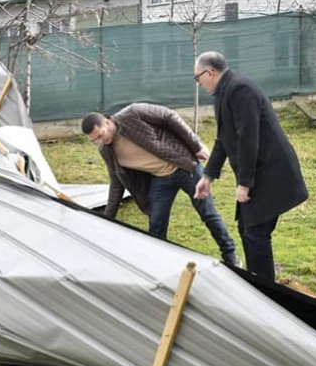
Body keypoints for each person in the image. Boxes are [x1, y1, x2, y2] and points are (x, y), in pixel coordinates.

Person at [193, 51, 308, 280]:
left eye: (198, 78)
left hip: (271, 171)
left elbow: (248, 137)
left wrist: (244, 183)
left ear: (210, 72)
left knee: (255, 233)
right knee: (247, 229)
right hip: (259, 171)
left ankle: (265, 291)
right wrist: (207, 177)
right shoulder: (224, 93)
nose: (198, 83)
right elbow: (223, 138)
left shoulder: (240, 89)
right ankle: (256, 282)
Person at [81, 103, 239, 265]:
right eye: (95, 140)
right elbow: (116, 182)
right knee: (156, 225)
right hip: (160, 178)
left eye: (100, 135)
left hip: (184, 164)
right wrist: (108, 218)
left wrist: (195, 145)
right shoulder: (105, 150)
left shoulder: (132, 113)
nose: (100, 141)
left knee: (207, 212)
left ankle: (231, 255)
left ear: (107, 122)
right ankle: (159, 264)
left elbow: (169, 116)